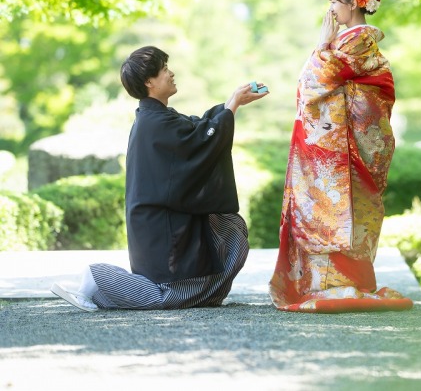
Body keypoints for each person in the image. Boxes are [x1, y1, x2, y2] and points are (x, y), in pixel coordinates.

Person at [50, 46, 268, 311]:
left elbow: (197, 131)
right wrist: (231, 105)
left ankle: (97, 293)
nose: (171, 73)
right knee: (167, 296)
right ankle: (96, 277)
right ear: (149, 82)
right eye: (164, 69)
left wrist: (232, 102)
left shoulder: (156, 118)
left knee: (208, 283)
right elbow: (200, 142)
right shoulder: (155, 122)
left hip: (159, 221)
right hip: (161, 226)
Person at [269, 0, 413, 312]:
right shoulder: (347, 41)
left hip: (341, 146)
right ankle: (327, 282)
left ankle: (343, 282)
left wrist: (322, 47)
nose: (331, 9)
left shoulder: (357, 41)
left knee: (337, 207)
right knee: (328, 208)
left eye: (335, 2)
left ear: (352, 3)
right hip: (336, 141)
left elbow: (314, 81)